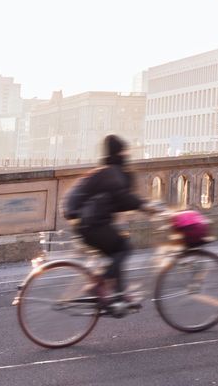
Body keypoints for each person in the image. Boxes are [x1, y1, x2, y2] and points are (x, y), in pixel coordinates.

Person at [63, 134, 146, 314]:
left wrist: (140, 205)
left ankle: (118, 296)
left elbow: (119, 201)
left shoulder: (105, 171)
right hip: (93, 226)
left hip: (89, 225)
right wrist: (144, 205)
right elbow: (123, 197)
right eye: (124, 151)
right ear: (119, 152)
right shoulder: (111, 173)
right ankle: (99, 284)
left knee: (117, 250)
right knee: (124, 247)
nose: (126, 155)